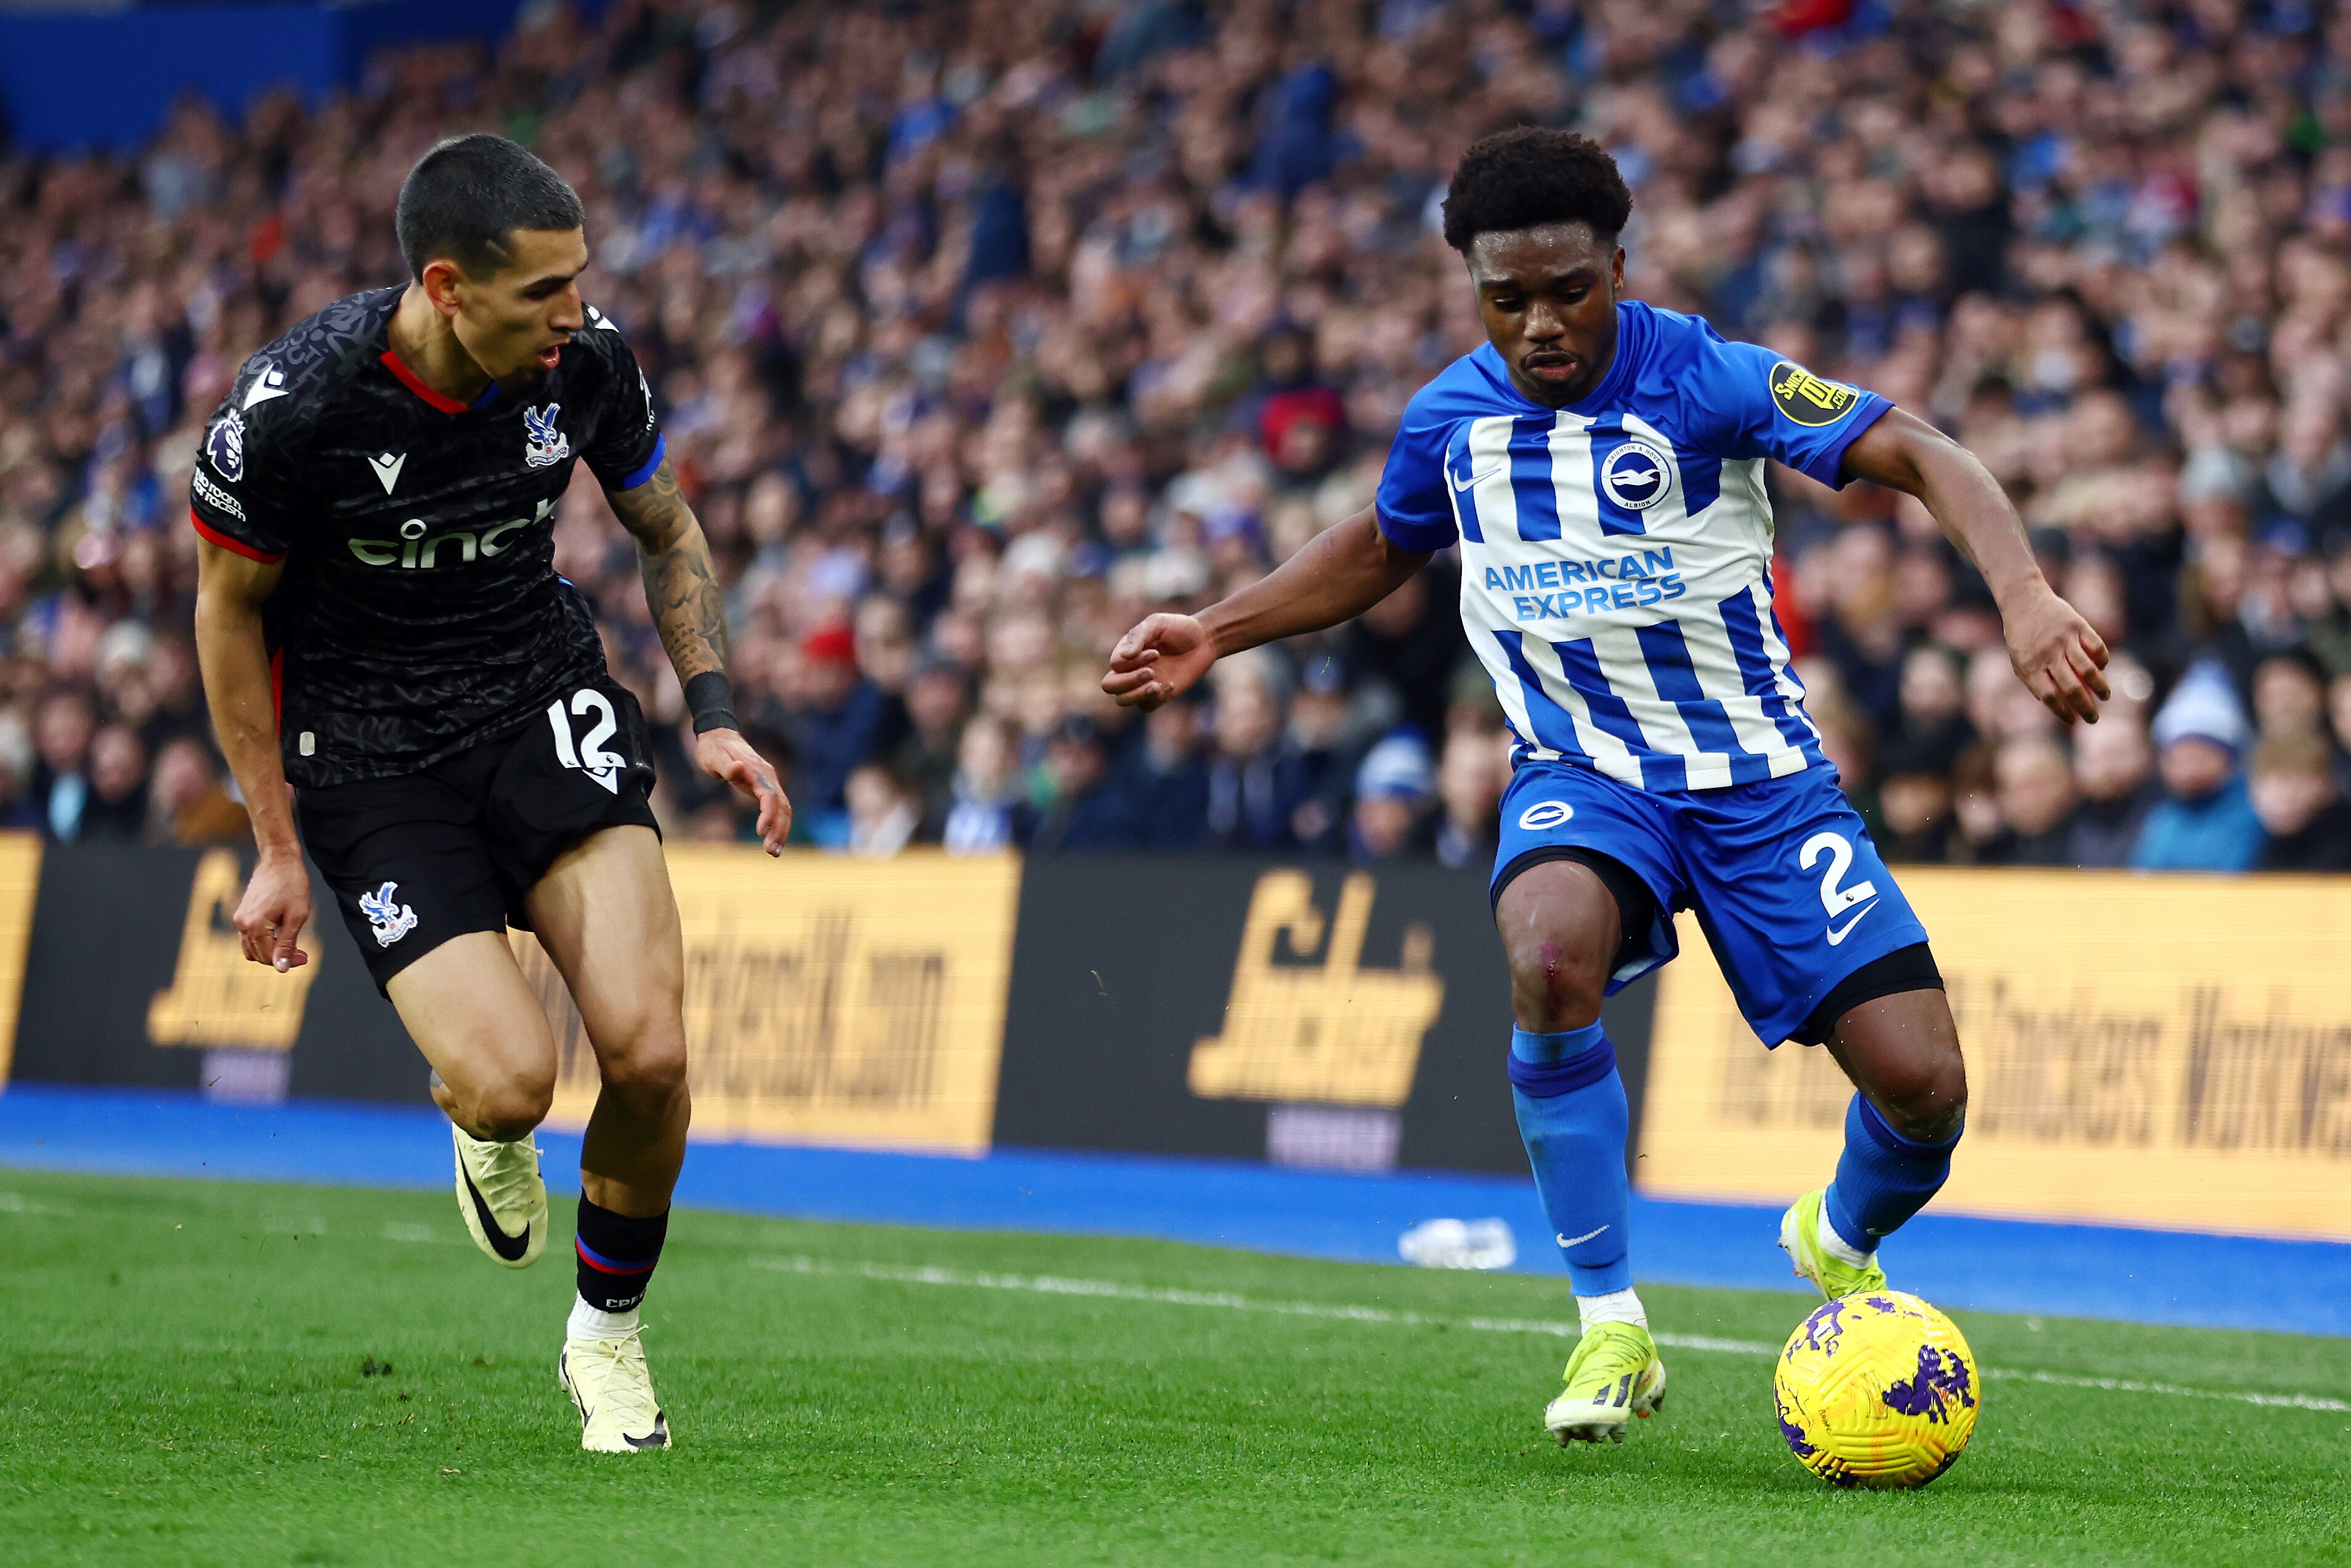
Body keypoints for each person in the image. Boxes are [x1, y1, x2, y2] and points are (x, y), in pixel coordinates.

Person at [1102, 129, 2107, 1446]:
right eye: (1504, 297)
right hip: (1584, 773)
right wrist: (1219, 630)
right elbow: (1381, 544)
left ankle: (1834, 1229)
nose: (1538, 323)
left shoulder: (1709, 377)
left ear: (1617, 269)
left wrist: (2024, 594)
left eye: (1567, 288)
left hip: (1763, 790)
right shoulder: (1451, 420)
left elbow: (1921, 449)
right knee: (1550, 953)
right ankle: (1610, 1322)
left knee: (1925, 1088)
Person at [189, 135, 787, 1453]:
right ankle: (479, 1121)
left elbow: (667, 528)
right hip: (366, 753)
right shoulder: (300, 404)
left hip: (538, 704)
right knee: (513, 1081)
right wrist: (273, 844)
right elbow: (228, 617)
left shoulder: (589, 366)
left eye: (582, 281)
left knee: (650, 1052)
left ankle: (608, 1339)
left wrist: (717, 719)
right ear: (448, 286)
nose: (574, 315)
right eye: (544, 293)